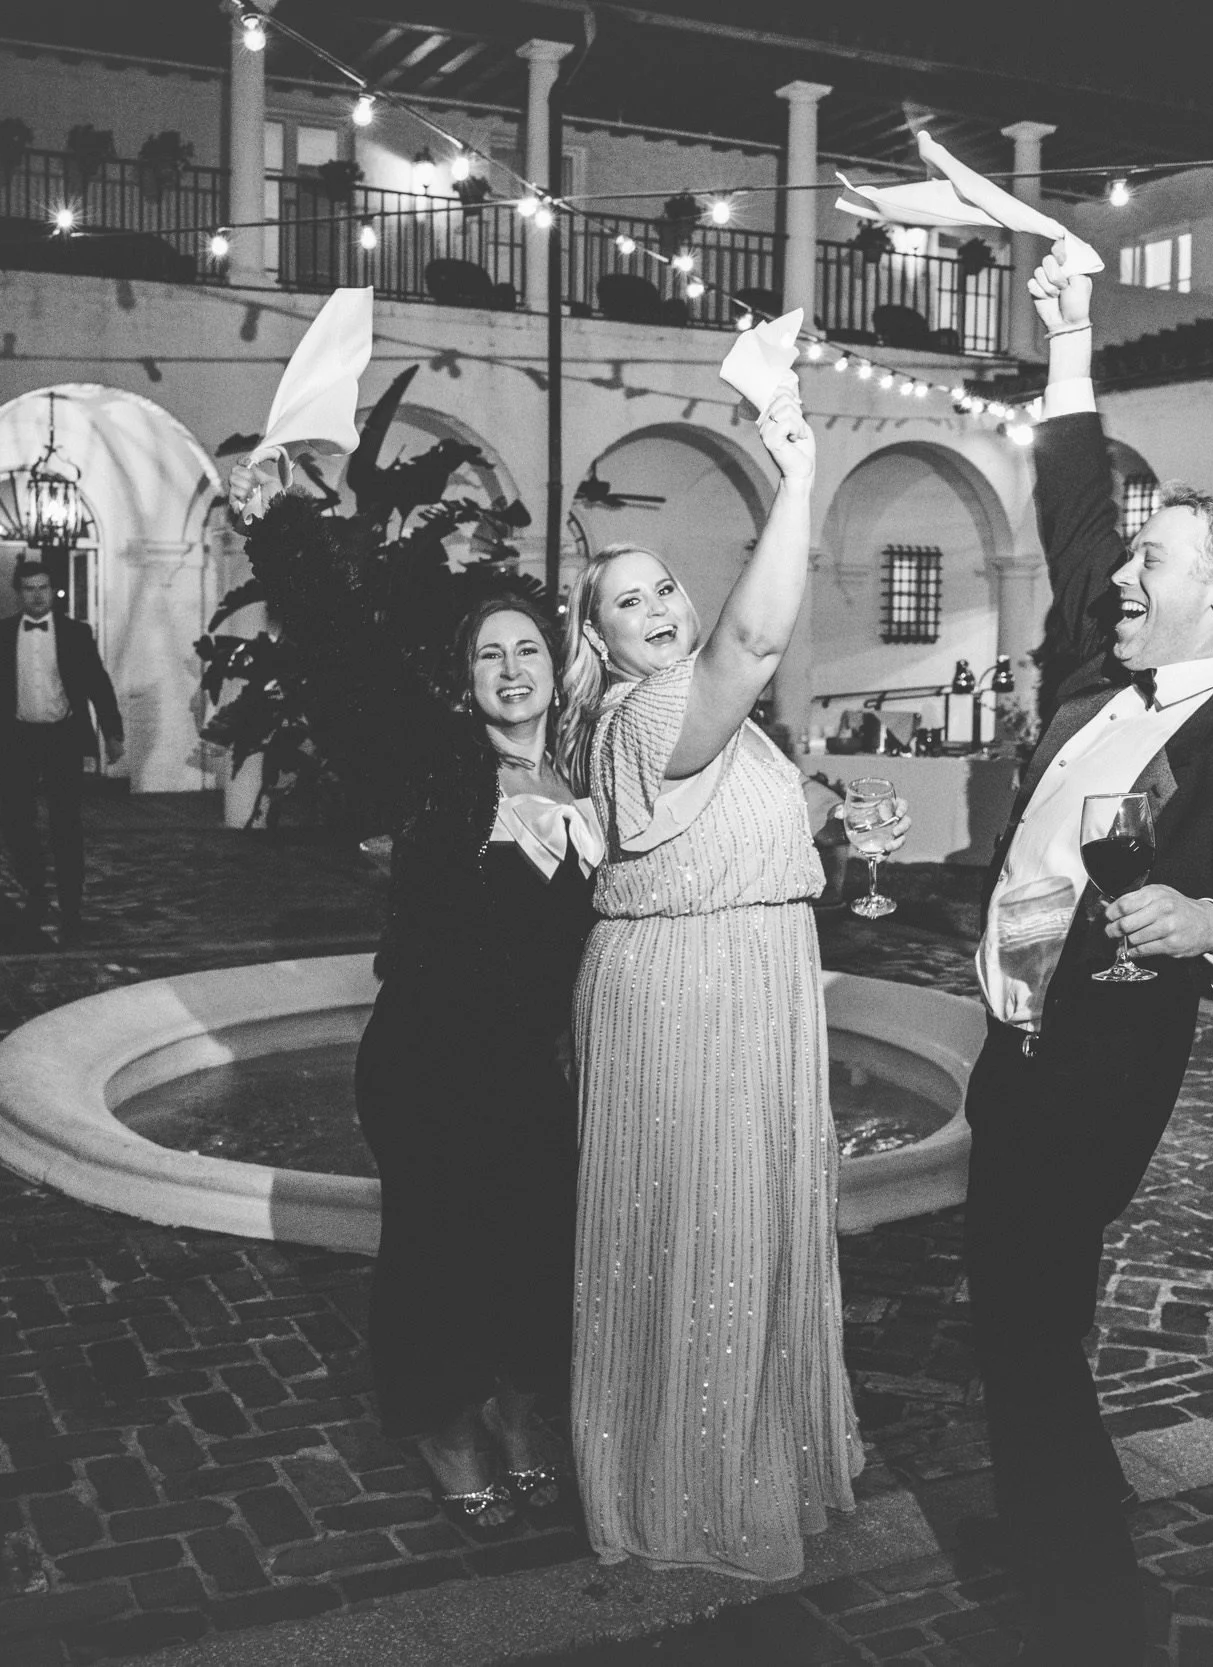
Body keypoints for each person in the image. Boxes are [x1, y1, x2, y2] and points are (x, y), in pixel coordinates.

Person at [960, 239, 1213, 1661]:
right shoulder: (1097, 670)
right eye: (1131, 557)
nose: (1124, 573)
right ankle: (1084, 1519)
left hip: (1096, 1069)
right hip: (1015, 1050)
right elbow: (1073, 515)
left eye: (1156, 559)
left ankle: (1092, 1617)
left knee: (1016, 1324)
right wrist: (1069, 348)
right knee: (1031, 1313)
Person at [559, 389, 871, 1582]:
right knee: (701, 1229)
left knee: (756, 1229)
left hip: (757, 973)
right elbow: (751, 641)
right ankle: (689, 1484)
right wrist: (796, 469)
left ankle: (753, 1460)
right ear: (603, 641)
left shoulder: (721, 725)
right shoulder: (643, 712)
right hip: (685, 989)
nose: (657, 607)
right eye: (625, 600)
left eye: (663, 587)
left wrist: (832, 818)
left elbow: (760, 818)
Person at [356, 592, 597, 1531]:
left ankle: (519, 1407)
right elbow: (354, 674)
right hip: (428, 1060)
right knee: (435, 1256)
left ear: (555, 663)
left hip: (531, 1069)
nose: (509, 668)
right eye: (487, 654)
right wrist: (286, 528)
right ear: (465, 682)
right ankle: (443, 1428)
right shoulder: (444, 773)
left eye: (526, 648)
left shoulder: (587, 775)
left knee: (534, 1252)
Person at [0, 560, 123, 942]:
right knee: (15, 821)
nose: (37, 595)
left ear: (53, 590)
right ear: (18, 593)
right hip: (16, 738)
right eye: (29, 588)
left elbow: (97, 683)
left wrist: (112, 733)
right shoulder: (0, 633)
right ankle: (35, 890)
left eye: (42, 587)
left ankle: (71, 907)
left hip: (62, 738)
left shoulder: (76, 633)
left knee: (66, 824)